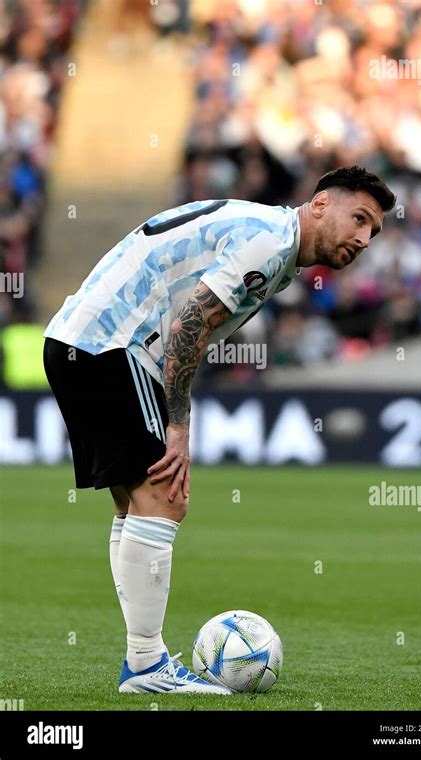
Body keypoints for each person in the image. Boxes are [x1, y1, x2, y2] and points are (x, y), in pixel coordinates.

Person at [43, 165, 395, 694]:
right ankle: (146, 665)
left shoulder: (271, 238)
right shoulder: (272, 243)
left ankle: (144, 660)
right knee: (166, 496)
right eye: (360, 218)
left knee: (136, 502)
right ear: (320, 204)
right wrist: (179, 425)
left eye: (374, 231)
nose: (364, 239)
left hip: (83, 339)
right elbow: (188, 324)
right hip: (112, 344)